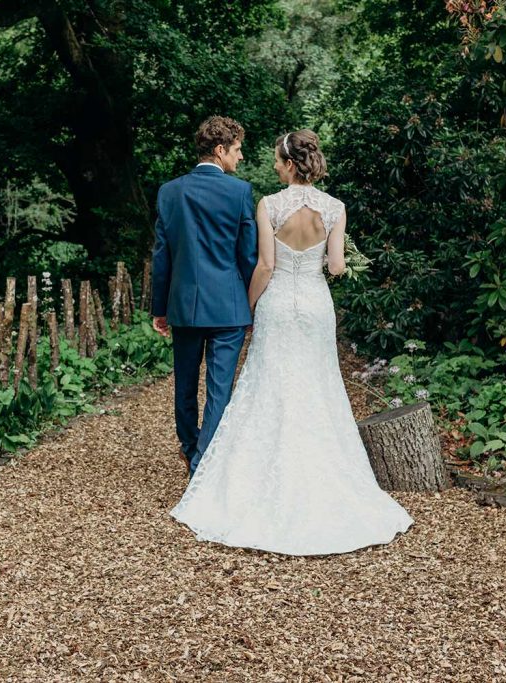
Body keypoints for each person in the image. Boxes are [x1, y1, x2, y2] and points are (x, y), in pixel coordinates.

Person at [169, 129, 414, 556]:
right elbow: (336, 267)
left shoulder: (270, 204)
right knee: (320, 388)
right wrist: (325, 259)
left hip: (278, 304)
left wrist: (247, 307)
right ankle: (327, 480)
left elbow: (264, 265)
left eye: (276, 161)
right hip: (317, 305)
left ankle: (253, 478)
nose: (272, 166)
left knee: (272, 386)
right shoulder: (335, 207)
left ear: (287, 163)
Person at [150, 115, 258, 477]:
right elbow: (247, 256)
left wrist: (159, 307)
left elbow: (162, 256)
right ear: (220, 150)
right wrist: (252, 302)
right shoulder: (240, 192)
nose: (240, 158)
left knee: (184, 383)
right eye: (238, 150)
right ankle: (202, 462)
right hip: (228, 308)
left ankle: (189, 446)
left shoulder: (169, 191)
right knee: (218, 389)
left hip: (183, 306)